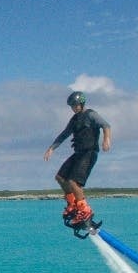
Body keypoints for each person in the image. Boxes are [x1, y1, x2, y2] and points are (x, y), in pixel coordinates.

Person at [44, 91, 111, 226]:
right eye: (71, 106)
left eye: (75, 105)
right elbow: (64, 134)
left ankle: (85, 210)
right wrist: (51, 148)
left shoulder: (91, 115)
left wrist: (106, 139)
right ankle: (73, 204)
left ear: (81, 103)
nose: (73, 108)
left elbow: (106, 125)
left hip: (89, 153)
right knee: (60, 177)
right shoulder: (74, 119)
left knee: (74, 182)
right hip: (78, 153)